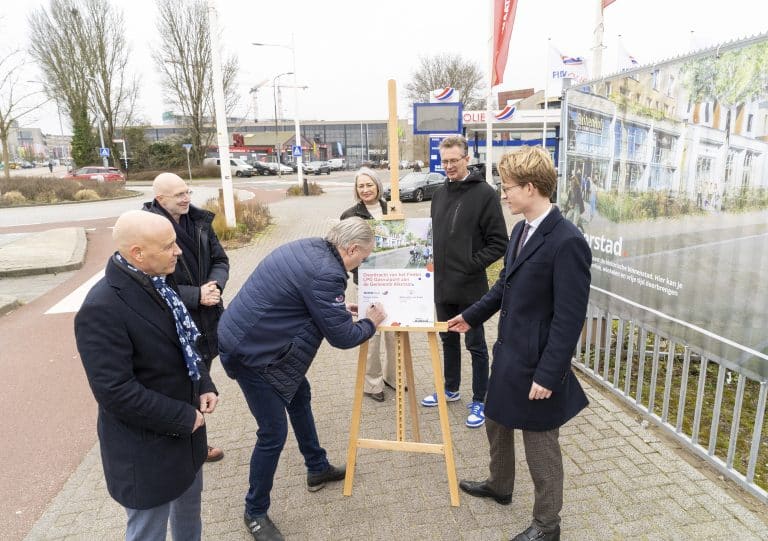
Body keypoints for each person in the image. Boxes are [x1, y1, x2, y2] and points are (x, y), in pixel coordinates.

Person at [448, 146, 591, 541]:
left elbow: (569, 319)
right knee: (495, 419)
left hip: (538, 363)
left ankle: (547, 525)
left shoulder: (567, 241)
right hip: (509, 353)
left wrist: (549, 374)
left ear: (530, 187)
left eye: (507, 187)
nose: (503, 194)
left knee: (540, 445)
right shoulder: (521, 230)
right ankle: (500, 484)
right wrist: (472, 316)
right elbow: (503, 287)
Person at [218, 217, 387, 541]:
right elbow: (343, 338)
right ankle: (254, 511)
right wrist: (371, 323)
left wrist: (338, 310)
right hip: (252, 355)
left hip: (256, 341)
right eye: (363, 258)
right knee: (272, 433)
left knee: (300, 395)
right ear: (352, 249)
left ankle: (317, 466)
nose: (361, 265)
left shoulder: (310, 247)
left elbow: (307, 298)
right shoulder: (328, 273)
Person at [74, 210, 219, 541]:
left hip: (187, 441)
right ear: (137, 253)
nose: (178, 251)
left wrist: (204, 383)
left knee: (189, 516)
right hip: (147, 451)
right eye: (168, 246)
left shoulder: (160, 278)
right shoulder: (102, 308)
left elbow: (185, 341)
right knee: (148, 532)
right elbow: (115, 391)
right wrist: (184, 417)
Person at [422, 135, 507, 429]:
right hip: (442, 285)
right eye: (444, 161)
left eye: (454, 161)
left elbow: (499, 243)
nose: (448, 166)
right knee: (447, 339)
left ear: (467, 159)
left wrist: (470, 264)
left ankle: (480, 399)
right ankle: (450, 388)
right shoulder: (438, 194)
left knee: (475, 344)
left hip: (470, 286)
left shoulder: (485, 194)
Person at [143, 172, 229, 462]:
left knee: (201, 382)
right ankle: (190, 446)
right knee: (182, 383)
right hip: (173, 320)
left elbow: (220, 260)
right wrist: (195, 295)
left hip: (208, 315)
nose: (186, 198)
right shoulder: (148, 228)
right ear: (160, 199)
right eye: (179, 194)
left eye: (187, 192)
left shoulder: (200, 221)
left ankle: (194, 443)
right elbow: (149, 282)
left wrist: (214, 286)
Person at [339, 168, 397, 402]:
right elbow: (343, 251)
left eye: (369, 185)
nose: (365, 190)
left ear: (378, 186)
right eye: (361, 186)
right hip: (367, 282)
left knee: (395, 331)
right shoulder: (350, 215)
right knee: (372, 333)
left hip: (395, 282)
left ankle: (394, 377)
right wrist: (360, 270)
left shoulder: (392, 208)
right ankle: (373, 384)